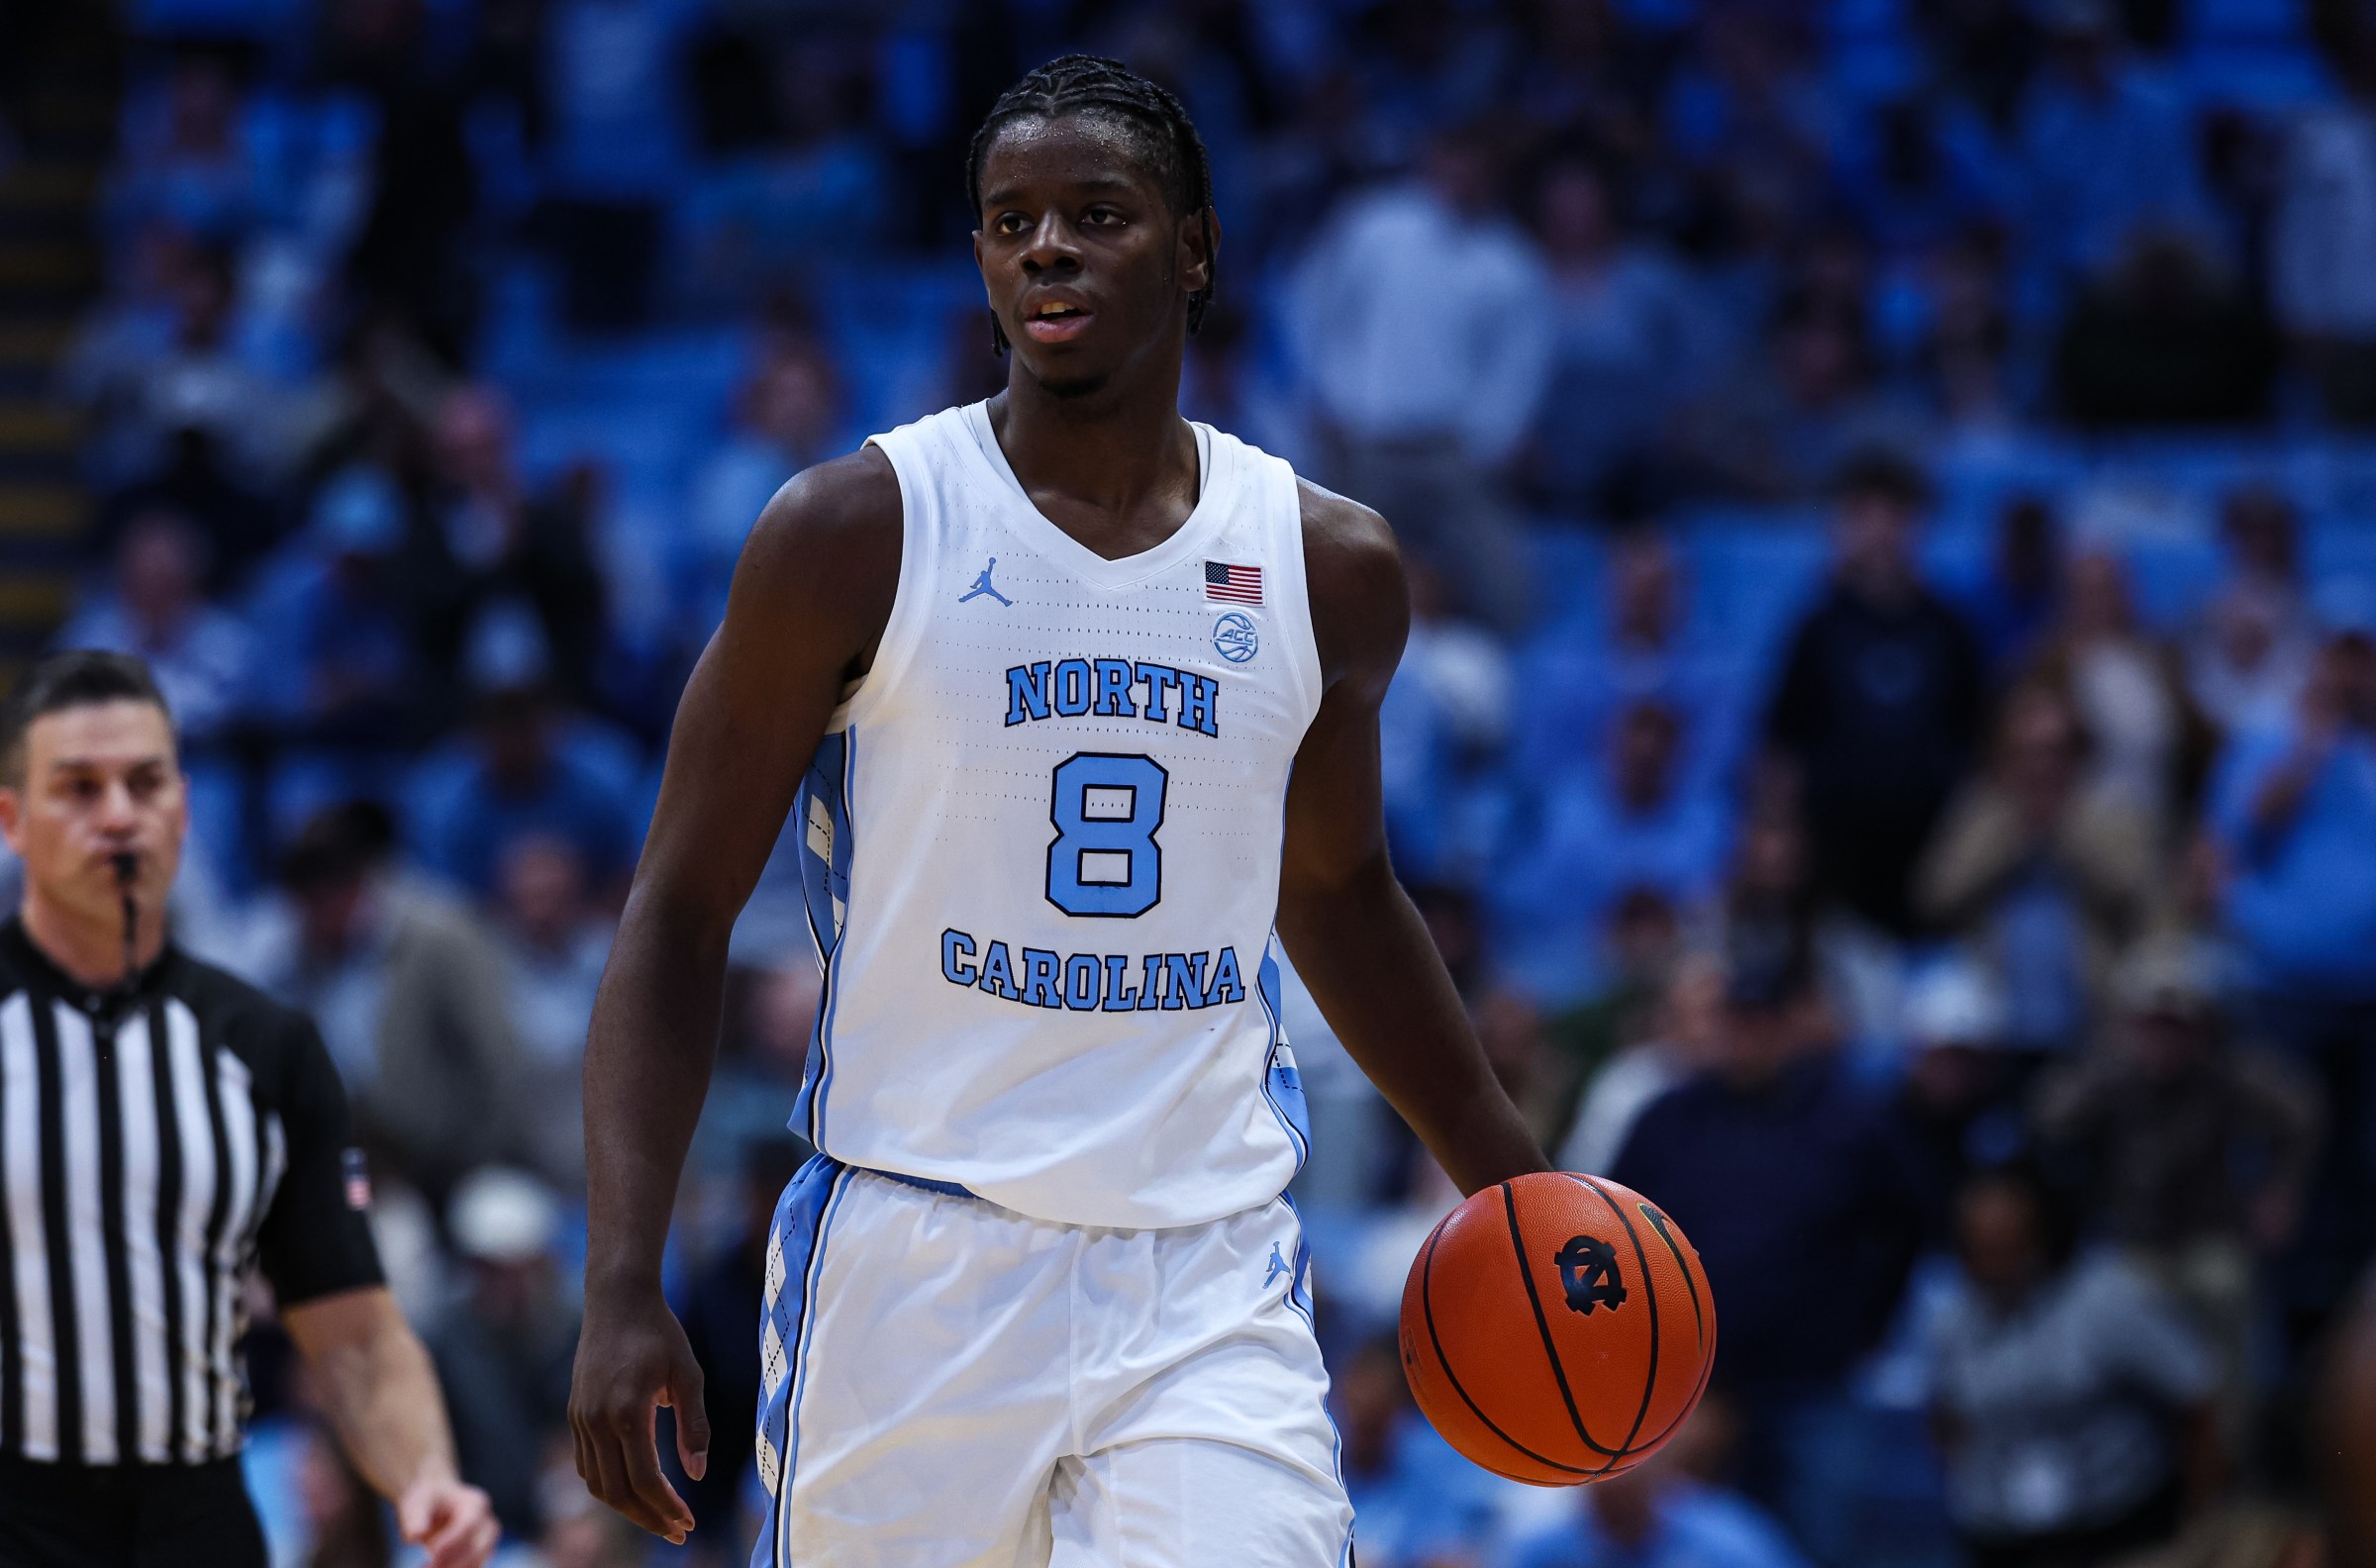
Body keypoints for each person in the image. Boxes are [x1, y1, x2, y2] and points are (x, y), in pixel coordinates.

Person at [566, 55, 1549, 1564]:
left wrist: (1514, 1182)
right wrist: (622, 1274)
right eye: (1011, 219)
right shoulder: (853, 532)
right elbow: (679, 909)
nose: (1047, 248)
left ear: (1199, 249)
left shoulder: (1325, 564)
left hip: (1203, 1271)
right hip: (914, 1261)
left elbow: (1344, 892)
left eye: (1100, 213)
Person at [0, 650, 495, 1566]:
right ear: (14, 820)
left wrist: (424, 1474)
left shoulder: (269, 1048)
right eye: (78, 787)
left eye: (144, 784)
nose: (118, 815)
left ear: (183, 812)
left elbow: (353, 1329)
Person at [1928, 1164, 2219, 1568]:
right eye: (1978, 1253)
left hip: (2115, 1530)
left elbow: (2197, 1394)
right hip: (1999, 1537)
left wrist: (2196, 1516)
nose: (1992, 1268)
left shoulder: (2108, 1298)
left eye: (2005, 1249)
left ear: (2042, 1236)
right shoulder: (1948, 1314)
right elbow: (1944, 1413)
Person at [1764, 449, 1987, 937]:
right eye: (1864, 516)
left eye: (1893, 516)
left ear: (1916, 525)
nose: (1880, 533)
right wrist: (1782, 832)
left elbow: (1979, 743)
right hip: (1834, 846)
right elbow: (1783, 743)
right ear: (1844, 527)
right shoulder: (1817, 627)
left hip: (1931, 846)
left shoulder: (1950, 628)